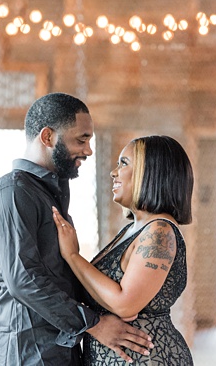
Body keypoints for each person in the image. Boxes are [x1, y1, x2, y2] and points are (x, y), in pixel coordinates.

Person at [0, 92, 153, 365]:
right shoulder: (12, 193)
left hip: (59, 348)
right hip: (24, 352)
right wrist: (95, 324)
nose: (88, 150)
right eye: (81, 139)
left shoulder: (49, 193)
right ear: (47, 137)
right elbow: (23, 280)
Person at [52, 135, 194, 365]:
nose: (114, 172)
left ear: (151, 173)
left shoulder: (159, 231)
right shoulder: (133, 229)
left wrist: (72, 256)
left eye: (124, 163)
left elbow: (125, 304)